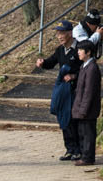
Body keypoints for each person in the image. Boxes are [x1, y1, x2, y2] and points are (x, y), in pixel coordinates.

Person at [34, 21, 80, 161]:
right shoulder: (60, 50)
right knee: (63, 119)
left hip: (76, 90)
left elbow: (86, 69)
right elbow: (51, 62)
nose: (59, 36)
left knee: (73, 120)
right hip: (63, 91)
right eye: (58, 34)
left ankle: (78, 150)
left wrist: (74, 76)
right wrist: (42, 63)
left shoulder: (79, 48)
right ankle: (69, 149)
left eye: (62, 33)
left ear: (70, 33)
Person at [68, 39, 102, 168]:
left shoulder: (92, 68)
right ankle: (84, 156)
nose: (78, 53)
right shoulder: (84, 66)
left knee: (88, 134)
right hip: (81, 107)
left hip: (88, 109)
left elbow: (89, 91)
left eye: (81, 50)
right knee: (82, 133)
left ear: (88, 52)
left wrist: (83, 110)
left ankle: (88, 158)